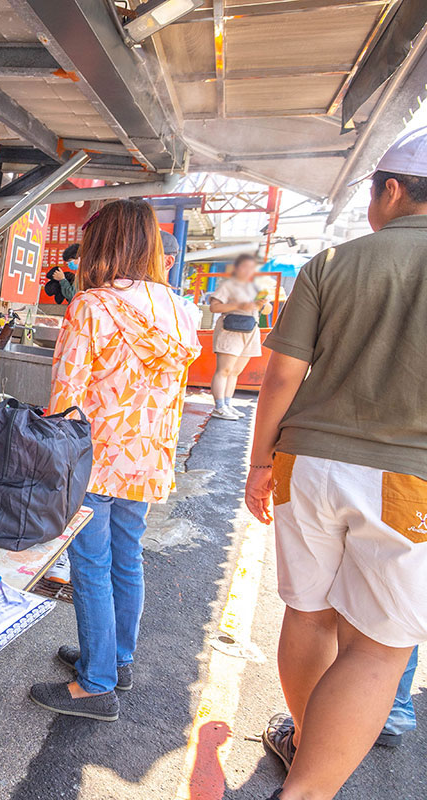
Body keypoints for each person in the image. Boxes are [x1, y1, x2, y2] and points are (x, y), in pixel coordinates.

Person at [245, 127, 427, 800]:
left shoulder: (332, 263)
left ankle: (302, 739)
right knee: (378, 650)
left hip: (308, 463)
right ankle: (307, 788)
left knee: (308, 613)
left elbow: (281, 376)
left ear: (392, 189)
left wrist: (260, 461)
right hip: (411, 477)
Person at [29, 199, 201, 722]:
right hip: (147, 459)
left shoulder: (92, 306)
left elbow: (65, 396)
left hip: (96, 459)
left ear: (105, 244)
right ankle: (116, 660)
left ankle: (97, 683)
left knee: (89, 566)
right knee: (126, 559)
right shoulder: (181, 309)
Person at [207, 254, 272, 419]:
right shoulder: (228, 285)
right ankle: (219, 406)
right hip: (230, 330)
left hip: (251, 330)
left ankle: (227, 403)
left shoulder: (257, 288)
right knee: (224, 369)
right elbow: (214, 307)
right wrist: (239, 305)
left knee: (235, 371)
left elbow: (267, 310)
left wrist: (262, 304)